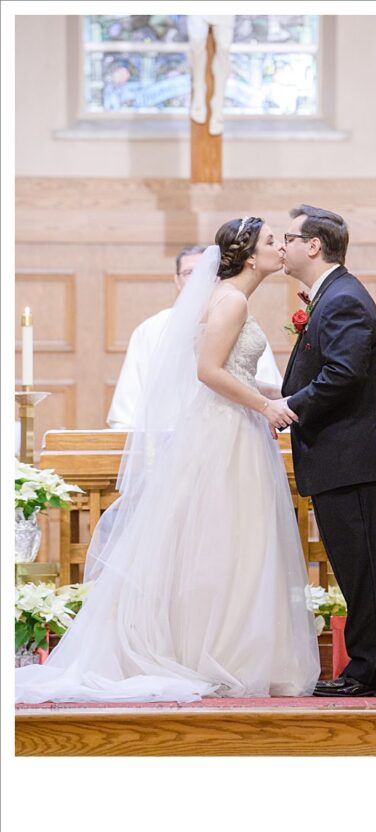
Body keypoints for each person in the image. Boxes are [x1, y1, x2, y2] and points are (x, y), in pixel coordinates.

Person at [16, 218, 320, 703]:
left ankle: (221, 649)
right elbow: (208, 371)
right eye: (271, 241)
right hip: (225, 433)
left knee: (230, 544)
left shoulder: (226, 296)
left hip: (230, 426)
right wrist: (266, 408)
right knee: (226, 542)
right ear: (248, 255)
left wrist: (281, 394)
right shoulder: (232, 300)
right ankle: (213, 654)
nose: (281, 248)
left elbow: (234, 371)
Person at [281, 204, 376, 698]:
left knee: (366, 570)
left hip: (355, 458)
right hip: (345, 458)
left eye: (289, 238)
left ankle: (368, 673)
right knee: (358, 569)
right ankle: (366, 669)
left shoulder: (343, 299)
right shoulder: (332, 296)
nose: (283, 246)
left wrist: (289, 407)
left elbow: (343, 373)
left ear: (314, 245)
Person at [107, 245, 283, 430]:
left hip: (232, 425)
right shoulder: (150, 330)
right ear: (177, 280)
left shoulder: (242, 324)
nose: (200, 278)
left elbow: (259, 381)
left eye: (207, 271)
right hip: (165, 433)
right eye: (189, 272)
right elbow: (127, 406)